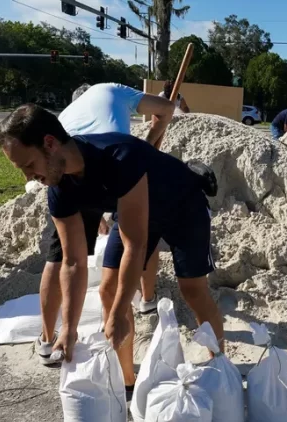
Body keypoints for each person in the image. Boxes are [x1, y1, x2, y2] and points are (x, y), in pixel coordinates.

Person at [0, 104, 223, 399]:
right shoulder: (58, 187)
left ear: (49, 143)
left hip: (184, 205)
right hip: (138, 209)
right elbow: (73, 262)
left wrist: (117, 315)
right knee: (108, 291)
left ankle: (220, 364)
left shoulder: (118, 156)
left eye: (28, 165)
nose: (28, 177)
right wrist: (69, 329)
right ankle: (126, 382)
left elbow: (134, 244)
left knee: (192, 289)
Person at [31, 83, 178, 366]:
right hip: (114, 166)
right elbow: (166, 109)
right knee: (138, 237)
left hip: (67, 172)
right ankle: (147, 299)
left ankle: (49, 340)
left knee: (61, 256)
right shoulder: (113, 90)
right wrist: (144, 147)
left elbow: (76, 166)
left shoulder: (63, 118)